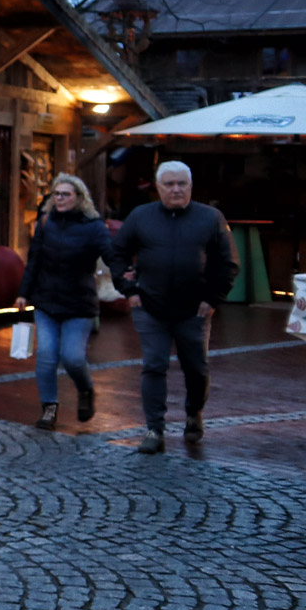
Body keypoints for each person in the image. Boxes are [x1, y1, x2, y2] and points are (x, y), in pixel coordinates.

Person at [107, 160, 236, 454]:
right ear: (158, 187)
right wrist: (128, 290)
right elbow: (117, 253)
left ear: (191, 186)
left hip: (194, 310)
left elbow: (228, 263)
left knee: (196, 369)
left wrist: (212, 299)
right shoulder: (141, 217)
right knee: (154, 365)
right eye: (169, 184)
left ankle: (194, 412)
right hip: (151, 307)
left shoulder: (210, 218)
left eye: (182, 184)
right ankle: (155, 428)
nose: (176, 189)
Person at [14, 174, 112, 430]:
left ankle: (86, 389)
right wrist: (23, 292)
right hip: (46, 301)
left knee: (72, 358)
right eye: (56, 194)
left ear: (79, 197)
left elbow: (112, 255)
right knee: (46, 355)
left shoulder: (94, 226)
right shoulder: (45, 222)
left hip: (79, 303)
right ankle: (49, 408)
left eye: (65, 194)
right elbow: (33, 260)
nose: (59, 198)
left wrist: (129, 278)